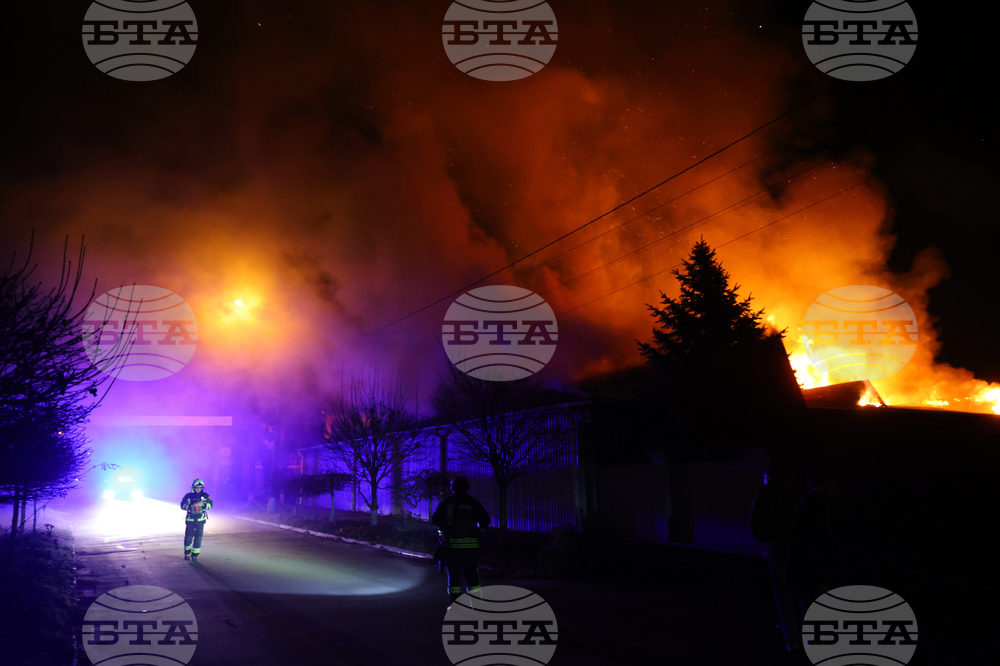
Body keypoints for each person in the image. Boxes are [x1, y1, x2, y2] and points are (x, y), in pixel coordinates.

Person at [749, 464, 803, 654]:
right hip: (798, 548)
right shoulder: (796, 491)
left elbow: (755, 523)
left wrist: (766, 542)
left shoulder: (765, 494)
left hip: (778, 549)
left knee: (784, 595)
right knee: (804, 593)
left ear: (768, 477)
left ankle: (793, 639)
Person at [788, 466, 841, 614]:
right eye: (830, 483)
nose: (834, 487)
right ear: (821, 484)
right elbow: (811, 546)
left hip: (811, 576)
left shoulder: (813, 505)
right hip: (811, 578)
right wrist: (819, 578)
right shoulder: (814, 508)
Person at [431, 477, 490, 606]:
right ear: (467, 487)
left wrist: (445, 529)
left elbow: (435, 520)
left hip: (453, 547)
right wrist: (478, 532)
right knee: (473, 578)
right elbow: (486, 520)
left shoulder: (447, 503)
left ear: (453, 488)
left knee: (454, 578)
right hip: (471, 548)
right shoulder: (474, 503)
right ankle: (477, 606)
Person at [180, 478, 213, 561]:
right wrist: (191, 506)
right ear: (193, 487)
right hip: (190, 520)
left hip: (200, 521)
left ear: (202, 488)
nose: (198, 489)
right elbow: (182, 505)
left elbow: (210, 505)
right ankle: (187, 554)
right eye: (196, 487)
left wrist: (204, 504)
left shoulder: (205, 496)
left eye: (200, 488)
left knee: (198, 538)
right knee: (188, 537)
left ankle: (195, 556)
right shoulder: (188, 496)